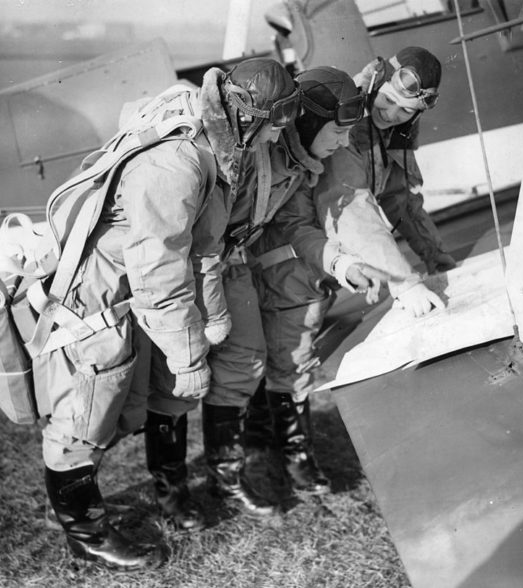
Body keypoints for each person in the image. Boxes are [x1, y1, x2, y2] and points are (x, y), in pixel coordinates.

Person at [39, 57, 299, 570]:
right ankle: (84, 533)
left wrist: (213, 320)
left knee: (114, 410)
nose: (273, 141)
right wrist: (187, 359)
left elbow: (199, 249)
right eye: (274, 128)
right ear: (250, 118)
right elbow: (160, 273)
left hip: (122, 291)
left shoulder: (207, 138)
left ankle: (80, 509)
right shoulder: (177, 163)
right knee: (82, 421)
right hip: (96, 300)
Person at [142, 64, 385, 524]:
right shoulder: (253, 148)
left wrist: (341, 263)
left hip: (224, 262)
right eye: (337, 131)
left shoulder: (291, 158)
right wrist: (210, 312)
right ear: (309, 123)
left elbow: (292, 224)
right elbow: (196, 234)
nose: (342, 143)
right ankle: (169, 491)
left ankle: (226, 480)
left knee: (242, 364)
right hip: (183, 268)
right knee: (177, 378)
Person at [246, 47, 454, 494]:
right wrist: (406, 283)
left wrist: (439, 259)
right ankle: (289, 456)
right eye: (389, 102)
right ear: (377, 81)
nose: (392, 114)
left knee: (292, 355)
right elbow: (351, 205)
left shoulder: (391, 128)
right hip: (294, 252)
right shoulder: (346, 116)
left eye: (405, 111)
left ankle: (264, 444)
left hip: (330, 255)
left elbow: (399, 196)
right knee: (292, 353)